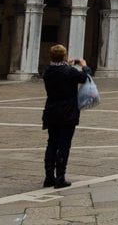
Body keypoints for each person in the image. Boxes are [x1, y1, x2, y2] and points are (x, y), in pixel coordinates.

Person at [42, 44, 90, 188]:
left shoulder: (48, 72)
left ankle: (49, 177)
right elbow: (85, 77)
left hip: (51, 112)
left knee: (51, 144)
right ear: (64, 56)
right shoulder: (69, 72)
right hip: (67, 113)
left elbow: (59, 72)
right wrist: (84, 65)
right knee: (64, 145)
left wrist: (66, 65)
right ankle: (60, 178)